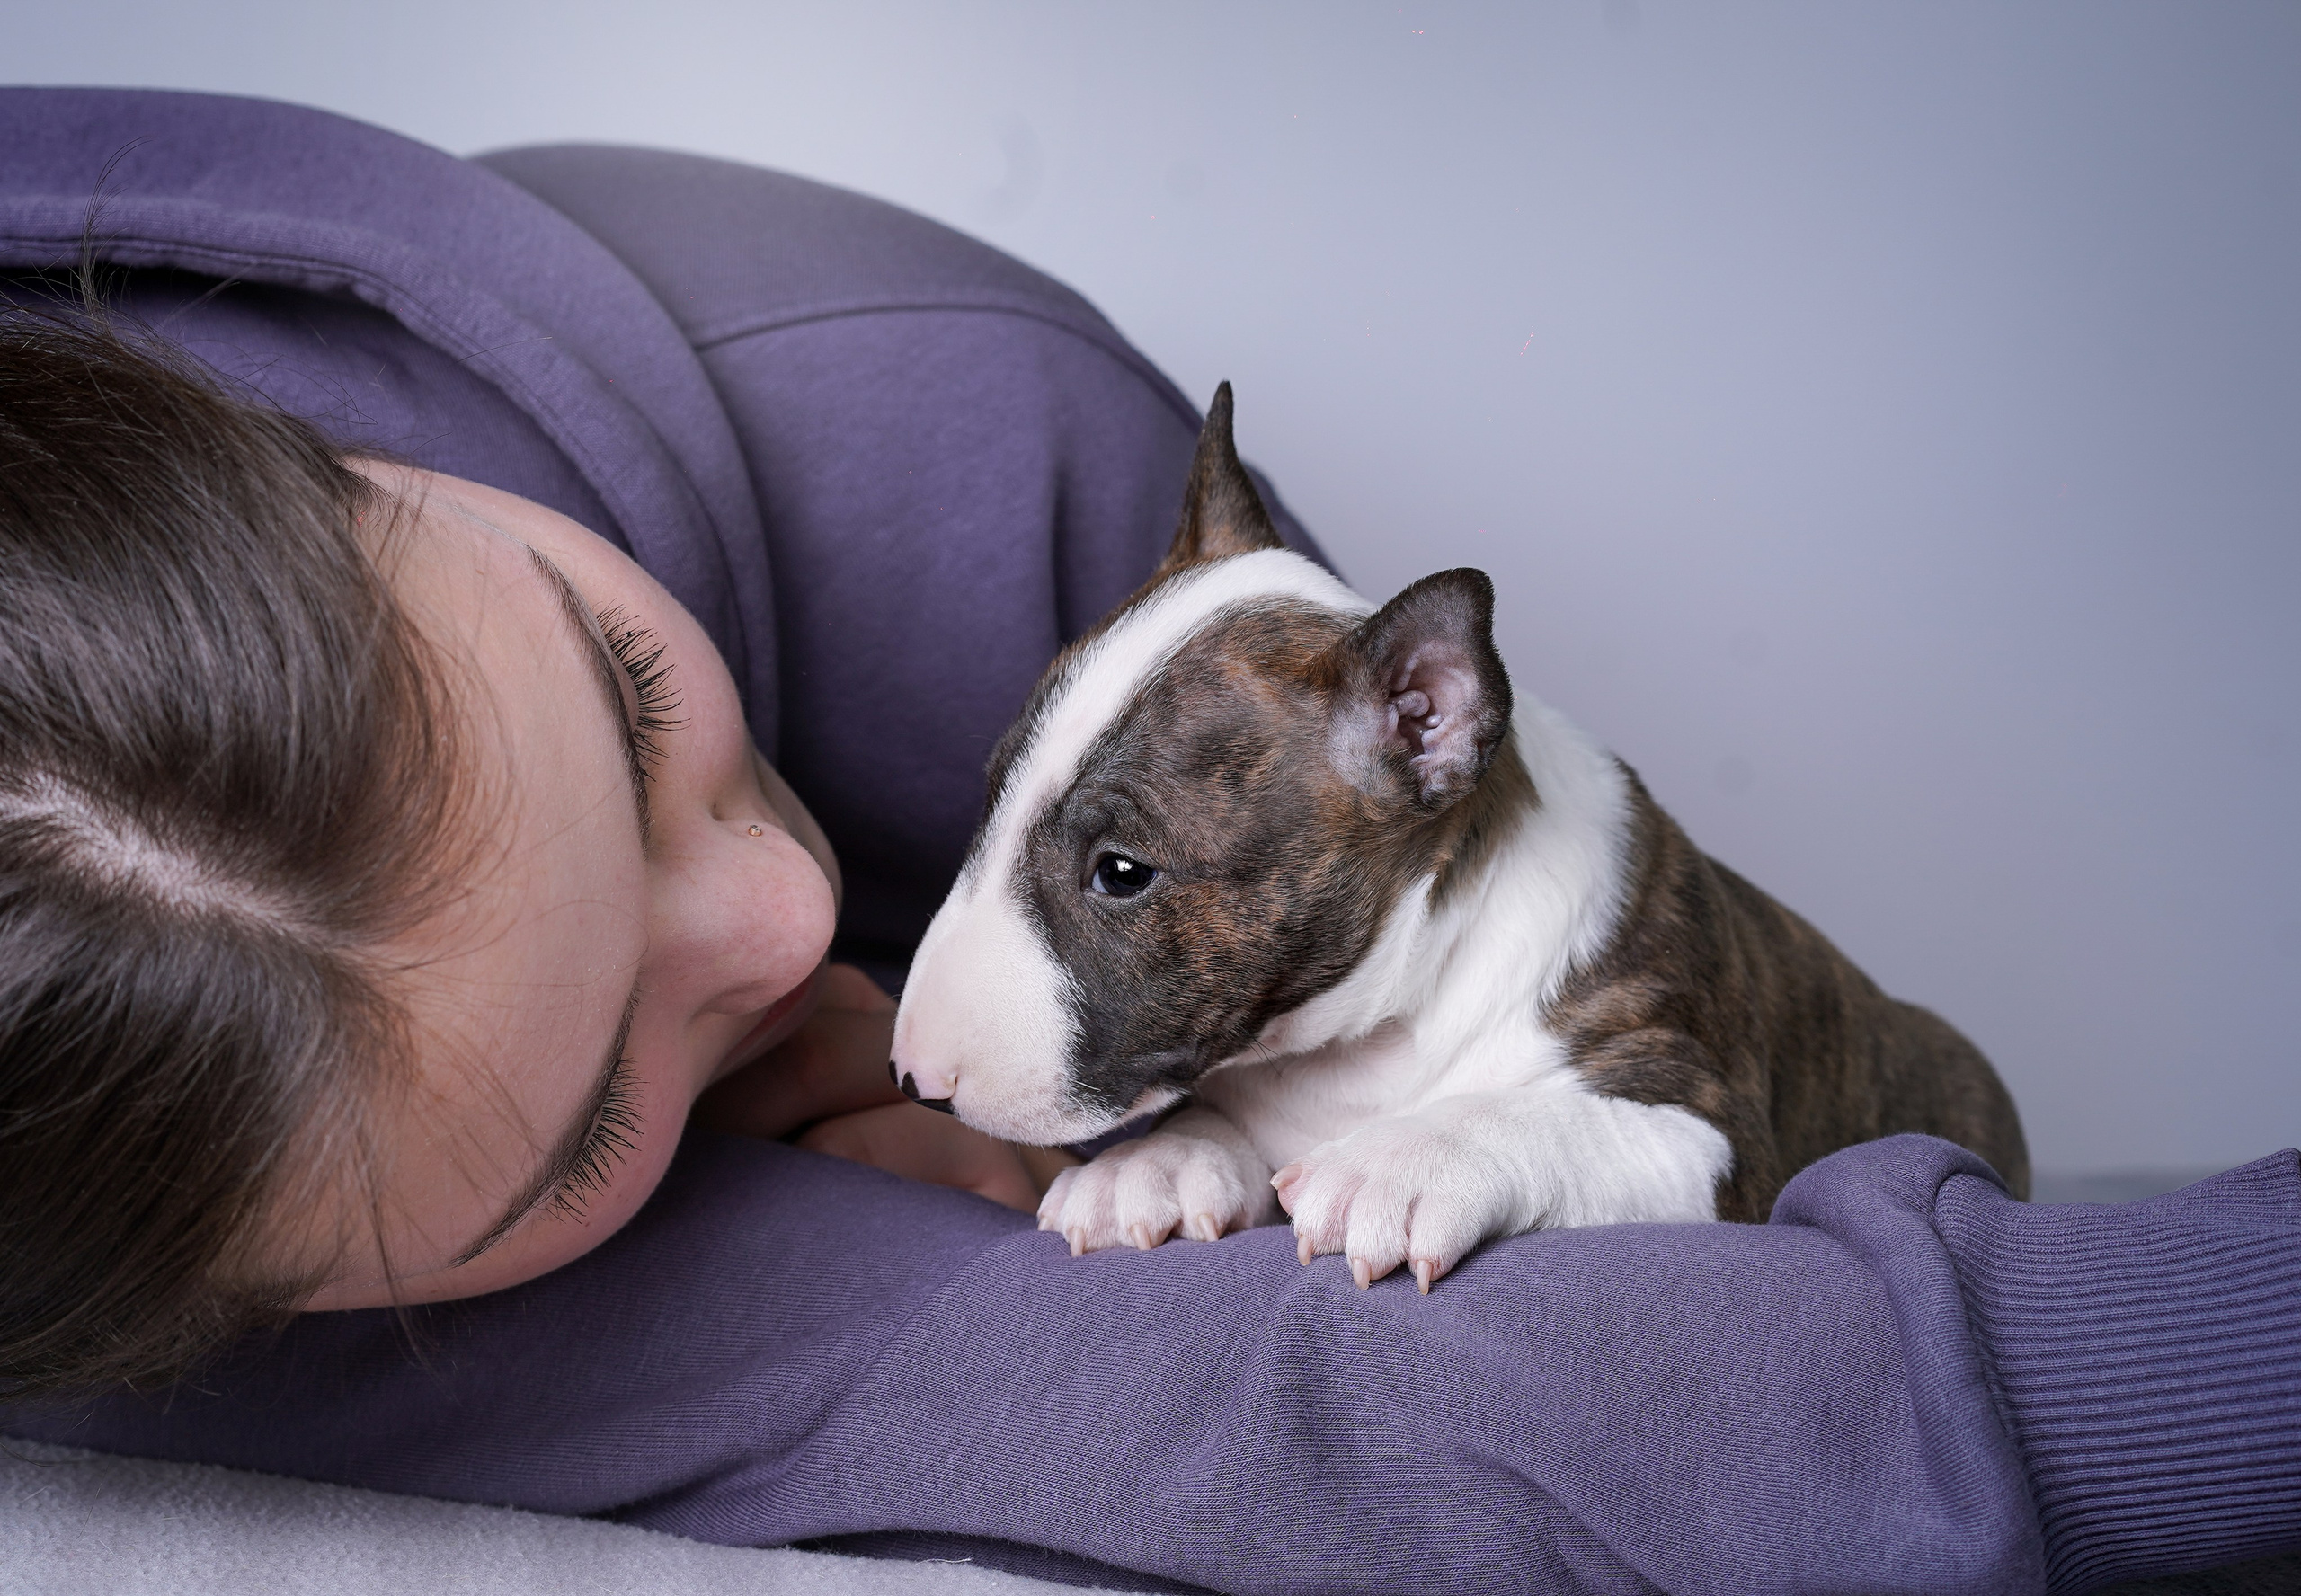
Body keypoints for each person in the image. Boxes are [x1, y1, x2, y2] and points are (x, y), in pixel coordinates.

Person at [3, 89, 2297, 1596]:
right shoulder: (210, 1314)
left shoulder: (941, 406)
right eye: (589, 1106)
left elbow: (1351, 930)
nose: (808, 922)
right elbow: (1274, 1403)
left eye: (623, 693)